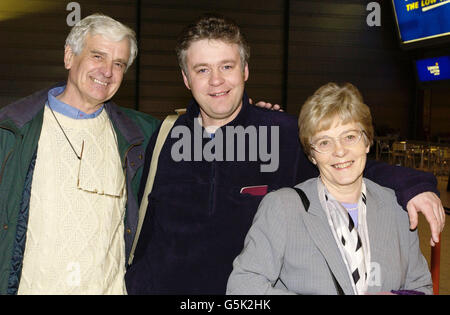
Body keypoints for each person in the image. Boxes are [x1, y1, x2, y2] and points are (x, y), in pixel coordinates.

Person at [125, 14, 443, 295]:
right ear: (185, 78)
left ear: (245, 70)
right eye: (202, 69)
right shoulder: (167, 134)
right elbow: (148, 221)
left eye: (226, 66)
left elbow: (343, 163)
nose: (216, 80)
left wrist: (412, 185)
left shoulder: (280, 135)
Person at [0, 14, 159, 294]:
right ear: (69, 57)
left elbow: (201, 148)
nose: (108, 71)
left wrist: (251, 118)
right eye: (98, 56)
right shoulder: (11, 131)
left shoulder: (140, 136)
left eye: (119, 63)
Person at [226, 82, 433, 295]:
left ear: (367, 142)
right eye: (324, 142)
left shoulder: (397, 208)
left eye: (350, 137)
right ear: (312, 155)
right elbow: (242, 287)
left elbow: (421, 286)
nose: (340, 151)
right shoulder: (284, 207)